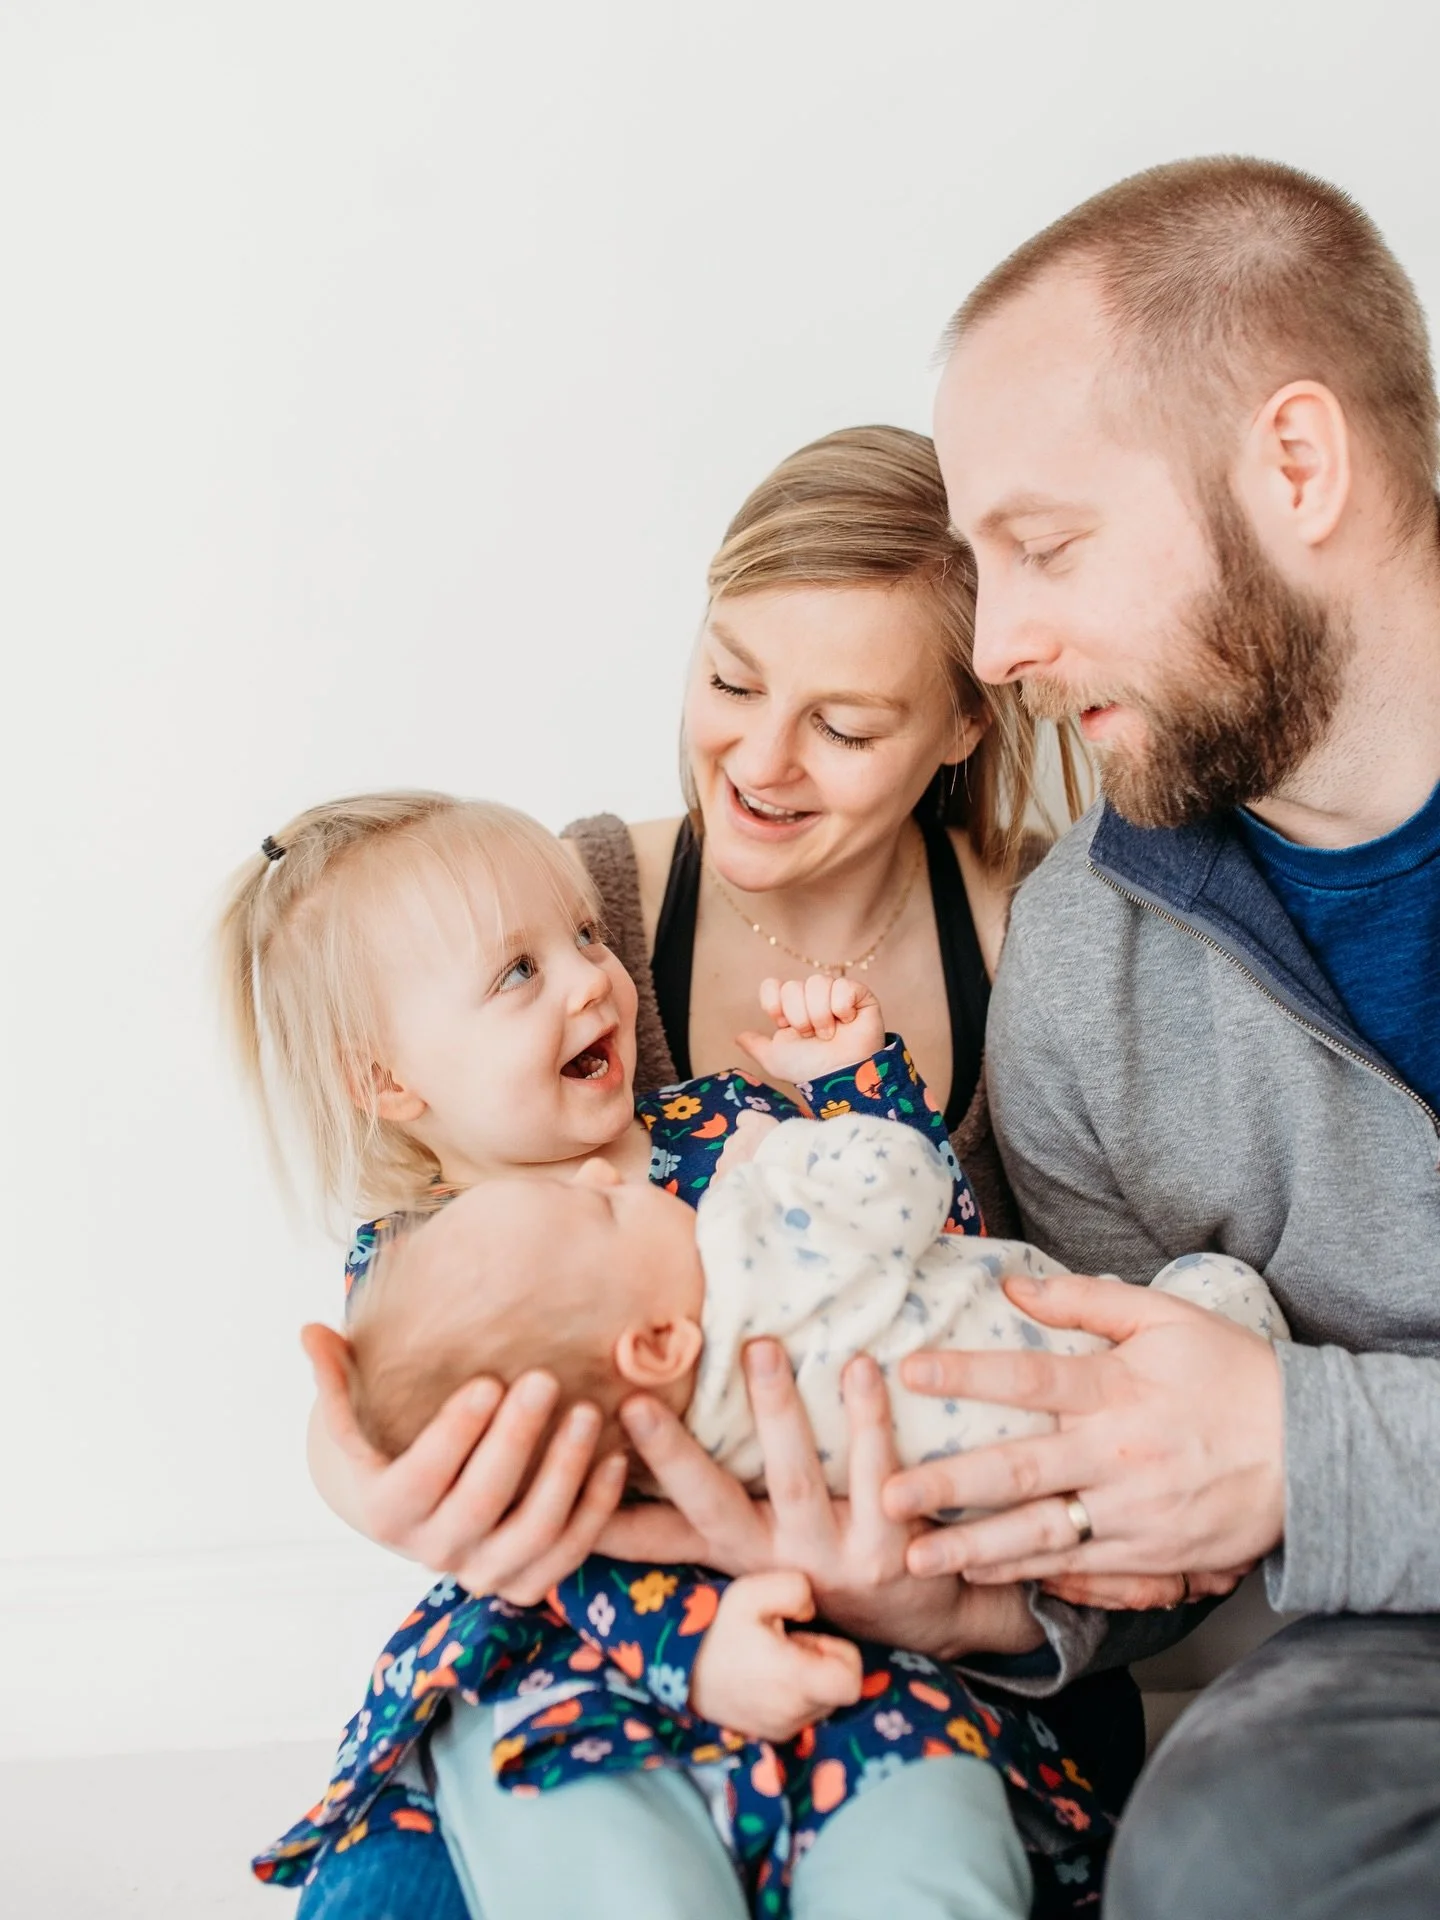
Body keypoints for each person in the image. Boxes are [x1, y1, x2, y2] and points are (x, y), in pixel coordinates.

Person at [291, 430, 1159, 1920]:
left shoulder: (1048, 937)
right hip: (607, 1633)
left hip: (931, 1620)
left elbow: (1069, 1319)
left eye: (844, 722)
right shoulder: (588, 909)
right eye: (733, 679)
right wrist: (362, 1460)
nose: (758, 760)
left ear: (964, 719)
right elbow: (441, 1294)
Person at [864, 156, 1440, 1917]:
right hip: (1406, 1655)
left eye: (1044, 546)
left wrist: (1306, 1450)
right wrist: (945, 1580)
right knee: (1220, 1854)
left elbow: (1271, 1459)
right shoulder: (1089, 959)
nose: (1005, 644)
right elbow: (1149, 1493)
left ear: (1295, 466)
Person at [226, 792, 1100, 1920]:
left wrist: (859, 1088)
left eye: (586, 936)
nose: (592, 979)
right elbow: (536, 1520)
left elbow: (932, 1294)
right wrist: (692, 1648)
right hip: (583, 1649)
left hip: (834, 1606)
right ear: (389, 1083)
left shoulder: (729, 1124)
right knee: (403, 1883)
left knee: (928, 1843)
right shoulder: (420, 1268)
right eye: (517, 974)